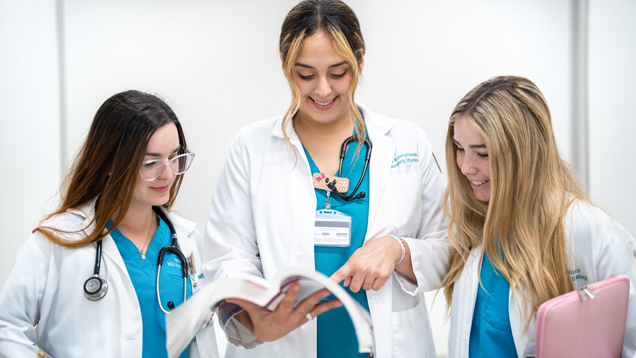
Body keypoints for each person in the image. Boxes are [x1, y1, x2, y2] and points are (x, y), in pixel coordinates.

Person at [202, 1, 450, 357]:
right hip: (280, 345)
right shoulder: (250, 148)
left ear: (360, 63)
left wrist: (398, 250)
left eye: (338, 72)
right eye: (305, 74)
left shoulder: (407, 142)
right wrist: (257, 317)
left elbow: (448, 249)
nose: (322, 90)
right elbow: (227, 257)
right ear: (286, 66)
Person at [0, 90, 219, 358]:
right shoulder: (58, 240)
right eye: (151, 163)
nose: (168, 174)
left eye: (174, 157)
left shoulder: (187, 241)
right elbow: (8, 326)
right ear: (112, 162)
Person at [434, 75, 636, 357]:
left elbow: (629, 343)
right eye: (459, 149)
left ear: (522, 154)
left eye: (482, 153)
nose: (466, 167)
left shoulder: (587, 230)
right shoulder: (475, 223)